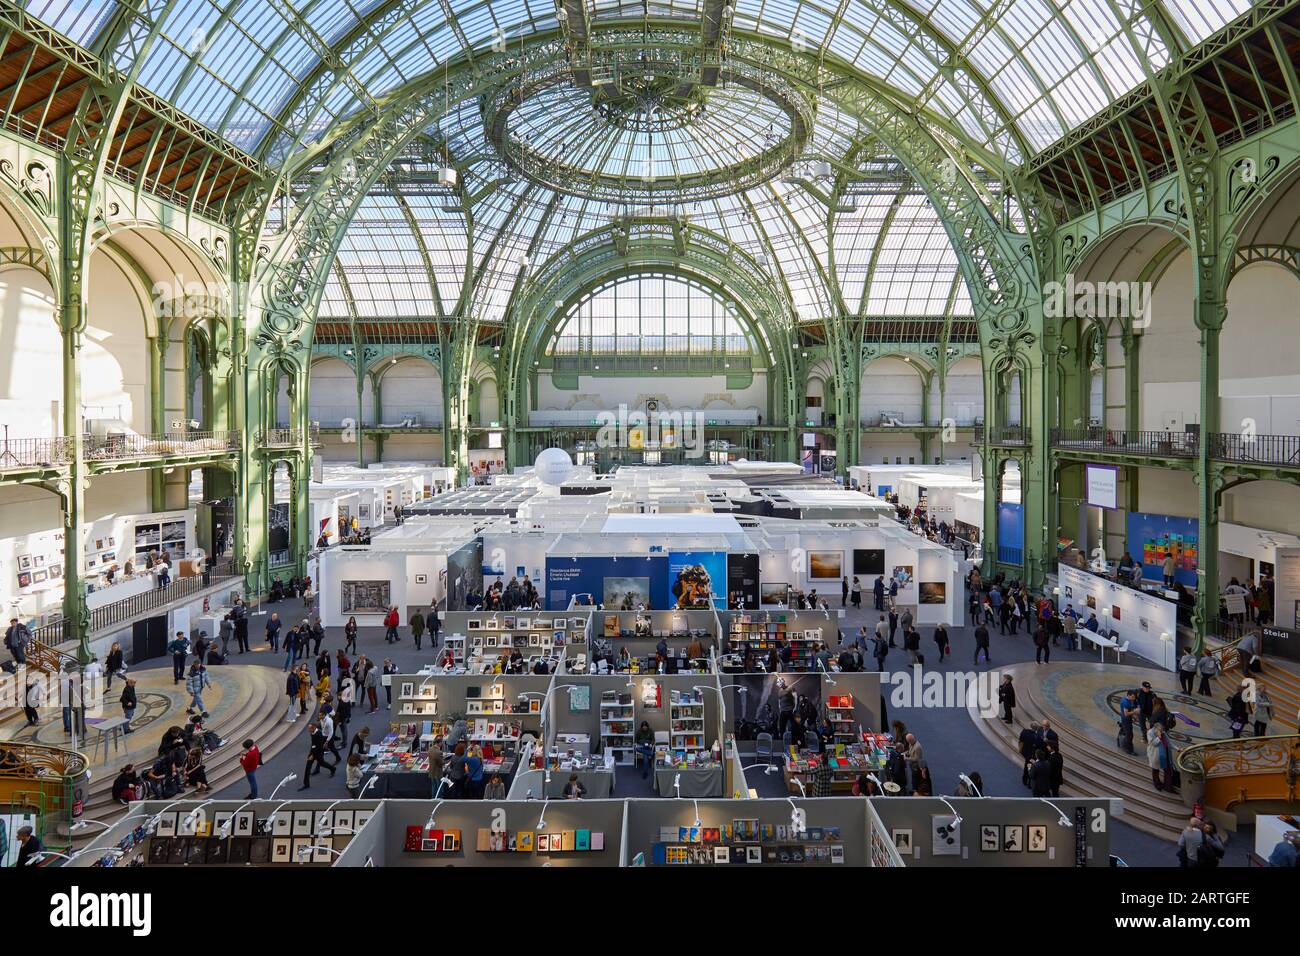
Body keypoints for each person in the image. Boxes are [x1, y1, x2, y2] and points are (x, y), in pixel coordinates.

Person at [298, 722, 336, 789]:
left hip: (319, 752)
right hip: (314, 751)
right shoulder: (312, 732)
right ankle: (306, 784)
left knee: (322, 763)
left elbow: (318, 746)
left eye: (310, 728)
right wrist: (310, 754)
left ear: (314, 728)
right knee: (308, 767)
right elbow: (313, 744)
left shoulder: (319, 734)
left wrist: (312, 755)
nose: (308, 730)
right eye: (309, 728)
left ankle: (332, 768)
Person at [1146, 724, 1173, 792]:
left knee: (1168, 770)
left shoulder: (1163, 732)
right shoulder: (1150, 732)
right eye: (1161, 730)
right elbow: (1153, 743)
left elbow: (1169, 742)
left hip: (1165, 754)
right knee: (1155, 770)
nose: (1162, 731)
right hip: (1155, 755)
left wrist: (1178, 748)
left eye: (1162, 730)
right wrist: (1159, 736)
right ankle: (1157, 784)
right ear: (1156, 729)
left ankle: (1167, 787)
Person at [1018, 723, 1041, 787]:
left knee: (1027, 766)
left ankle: (1025, 780)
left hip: (1025, 752)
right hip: (1032, 754)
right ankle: (1029, 783)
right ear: (1036, 729)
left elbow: (1020, 740)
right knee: (1030, 767)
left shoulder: (1024, 731)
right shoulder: (1036, 736)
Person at [1118, 689, 1138, 754]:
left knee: (1124, 730)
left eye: (1134, 697)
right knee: (1129, 735)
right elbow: (1126, 713)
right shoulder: (1125, 702)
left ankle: (1119, 742)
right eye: (1132, 697)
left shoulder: (1130, 700)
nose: (1133, 698)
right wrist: (1134, 712)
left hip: (1127, 719)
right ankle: (1129, 749)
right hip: (1126, 720)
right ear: (1128, 695)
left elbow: (1132, 708)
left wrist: (1134, 715)